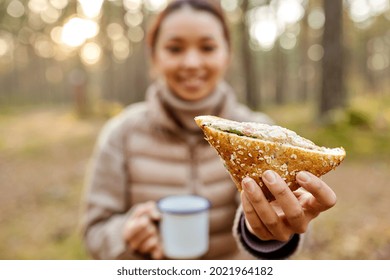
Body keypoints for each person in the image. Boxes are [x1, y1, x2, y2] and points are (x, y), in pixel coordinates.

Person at [81, 0, 337, 260]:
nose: (192, 62)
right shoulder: (121, 134)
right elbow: (94, 231)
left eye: (207, 47)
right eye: (175, 48)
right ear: (154, 57)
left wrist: (268, 235)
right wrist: (124, 234)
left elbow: (290, 224)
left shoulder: (264, 137)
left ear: (227, 55)